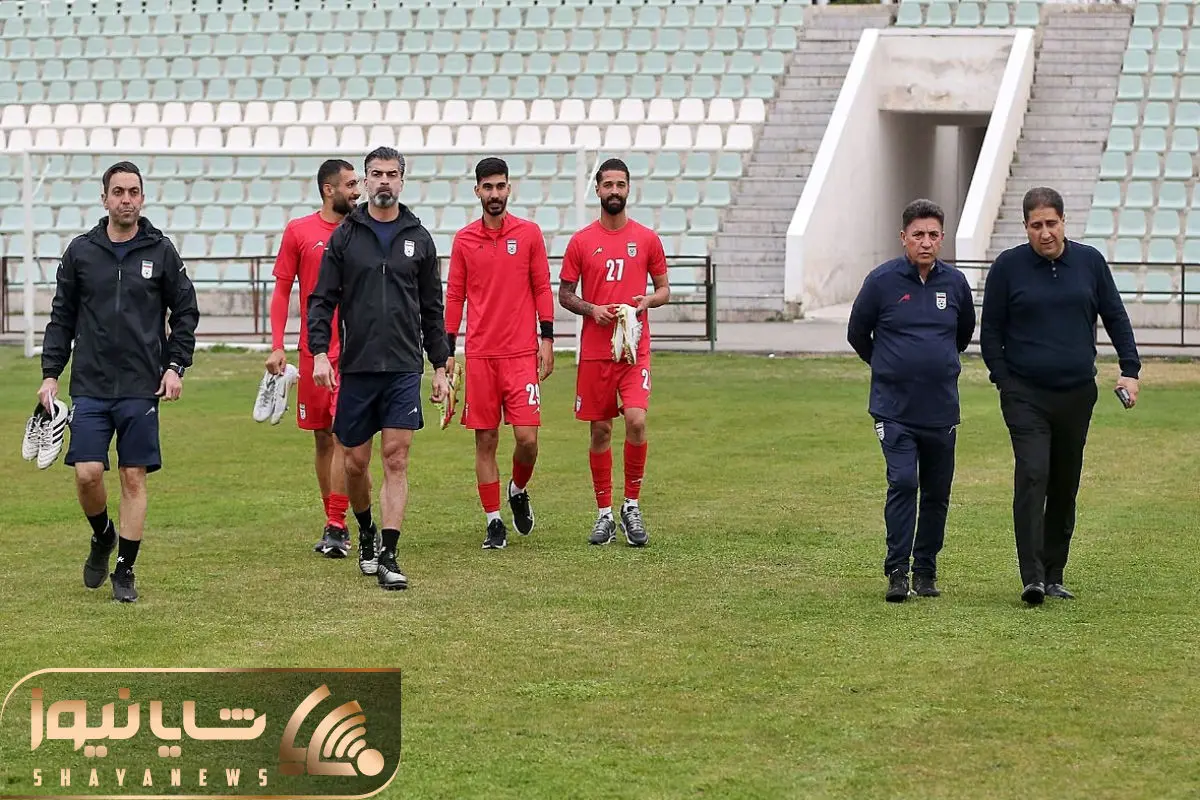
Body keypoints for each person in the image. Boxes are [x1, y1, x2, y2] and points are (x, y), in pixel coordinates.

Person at [38, 161, 200, 603]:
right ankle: (103, 535)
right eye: (118, 192)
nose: (126, 199)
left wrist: (174, 366)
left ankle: (125, 571)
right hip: (89, 385)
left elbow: (185, 313)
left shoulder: (161, 250)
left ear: (142, 198)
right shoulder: (81, 251)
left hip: (141, 386)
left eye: (133, 192)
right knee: (88, 473)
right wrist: (51, 375)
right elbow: (62, 318)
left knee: (133, 477)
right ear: (104, 198)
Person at [981, 186, 1141, 606]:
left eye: (1052, 223)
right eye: (1036, 225)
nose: (1045, 233)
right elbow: (991, 330)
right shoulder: (1008, 267)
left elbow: (1115, 315)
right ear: (1026, 227)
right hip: (1025, 395)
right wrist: (1004, 380)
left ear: (1064, 222)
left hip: (1075, 395)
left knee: (1064, 484)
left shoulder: (1090, 263)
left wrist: (1130, 370)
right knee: (1033, 474)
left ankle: (1054, 574)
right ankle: (1031, 577)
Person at [307, 146, 451, 591]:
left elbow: (432, 309)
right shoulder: (346, 237)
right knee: (354, 463)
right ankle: (365, 529)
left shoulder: (419, 237)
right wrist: (317, 354)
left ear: (402, 181)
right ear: (365, 182)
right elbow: (321, 300)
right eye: (375, 174)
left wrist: (440, 366)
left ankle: (389, 552)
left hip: (404, 367)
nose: (384, 181)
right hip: (358, 367)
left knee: (397, 457)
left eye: (392, 174)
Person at [847, 199, 976, 603]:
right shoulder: (881, 282)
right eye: (918, 235)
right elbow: (858, 333)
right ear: (903, 237)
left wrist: (935, 365)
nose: (926, 242)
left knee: (937, 492)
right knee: (903, 482)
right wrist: (888, 366)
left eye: (933, 235)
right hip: (894, 408)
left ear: (942, 238)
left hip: (940, 409)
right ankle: (897, 570)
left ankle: (925, 570)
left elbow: (963, 332)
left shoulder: (954, 284)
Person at [444, 157, 556, 550]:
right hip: (481, 356)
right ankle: (493, 520)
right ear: (477, 190)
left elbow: (542, 286)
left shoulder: (528, 234)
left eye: (500, 186)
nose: (494, 194)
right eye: (487, 187)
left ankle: (518, 488)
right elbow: (455, 294)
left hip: (521, 354)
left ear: (509, 189)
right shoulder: (464, 240)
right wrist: (448, 348)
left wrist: (547, 339)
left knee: (527, 438)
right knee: (486, 440)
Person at [558, 157, 670, 548]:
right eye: (608, 185)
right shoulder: (581, 241)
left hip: (632, 350)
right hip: (595, 351)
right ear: (597, 189)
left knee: (637, 421)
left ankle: (632, 505)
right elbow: (565, 294)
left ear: (629, 188)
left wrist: (646, 302)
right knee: (601, 429)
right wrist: (593, 309)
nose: (614, 191)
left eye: (620, 184)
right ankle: (604, 513)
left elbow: (664, 289)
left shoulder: (648, 239)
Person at [264, 159, 364, 562]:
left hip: (356, 352)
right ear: (328, 189)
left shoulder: (365, 230)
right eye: (351, 184)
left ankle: (338, 523)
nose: (357, 191)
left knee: (346, 438)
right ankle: (333, 521)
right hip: (314, 352)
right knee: (323, 437)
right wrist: (276, 343)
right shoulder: (299, 232)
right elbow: (282, 290)